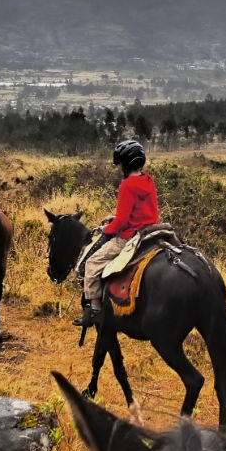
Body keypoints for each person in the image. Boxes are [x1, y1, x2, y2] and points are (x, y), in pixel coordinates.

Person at [74, 139, 159, 327]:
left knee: (92, 264)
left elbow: (122, 222)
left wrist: (107, 228)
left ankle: (94, 308)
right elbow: (139, 211)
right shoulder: (147, 179)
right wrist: (116, 217)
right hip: (152, 231)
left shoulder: (128, 185)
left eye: (120, 164)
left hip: (130, 237)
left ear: (125, 164)